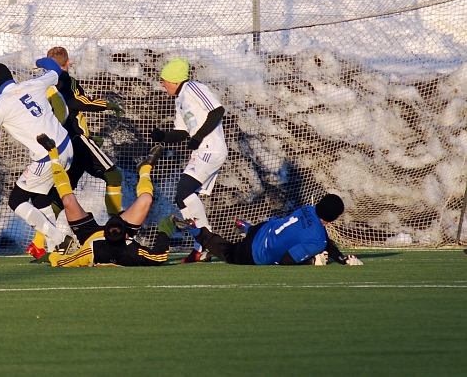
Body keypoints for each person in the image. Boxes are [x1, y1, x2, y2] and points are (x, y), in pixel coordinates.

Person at [0, 59, 74, 259]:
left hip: (47, 156)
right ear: (11, 78)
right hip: (67, 147)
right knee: (40, 198)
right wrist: (39, 61)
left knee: (17, 200)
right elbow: (55, 69)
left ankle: (60, 238)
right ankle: (55, 249)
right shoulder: (32, 84)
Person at [24, 47, 127, 259]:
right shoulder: (64, 79)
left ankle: (38, 242)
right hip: (76, 141)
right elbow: (76, 103)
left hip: (62, 145)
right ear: (68, 63)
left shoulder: (40, 84)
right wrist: (106, 104)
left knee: (60, 198)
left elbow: (64, 114)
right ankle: (117, 231)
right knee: (114, 176)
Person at [37, 134, 175, 267]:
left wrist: (50, 256)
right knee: (146, 199)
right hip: (118, 240)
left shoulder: (92, 250)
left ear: (104, 233)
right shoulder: (132, 251)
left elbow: (63, 262)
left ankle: (53, 154)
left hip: (89, 234)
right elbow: (158, 256)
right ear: (127, 235)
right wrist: (164, 232)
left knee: (67, 200)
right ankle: (144, 169)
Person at [150, 57, 227, 263]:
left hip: (211, 148)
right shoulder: (180, 98)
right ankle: (202, 246)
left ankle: (205, 243)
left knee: (183, 192)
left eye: (164, 80)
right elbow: (182, 132)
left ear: (175, 80)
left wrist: (199, 137)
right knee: (183, 196)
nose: (163, 84)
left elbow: (217, 111)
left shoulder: (193, 87)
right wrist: (163, 137)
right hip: (202, 151)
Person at [173, 194, 364, 266]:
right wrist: (312, 261)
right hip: (255, 253)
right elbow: (286, 260)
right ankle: (198, 232)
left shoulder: (307, 208)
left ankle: (246, 227)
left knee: (278, 231)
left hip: (262, 228)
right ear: (333, 218)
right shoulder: (318, 240)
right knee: (229, 253)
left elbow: (324, 240)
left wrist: (340, 259)